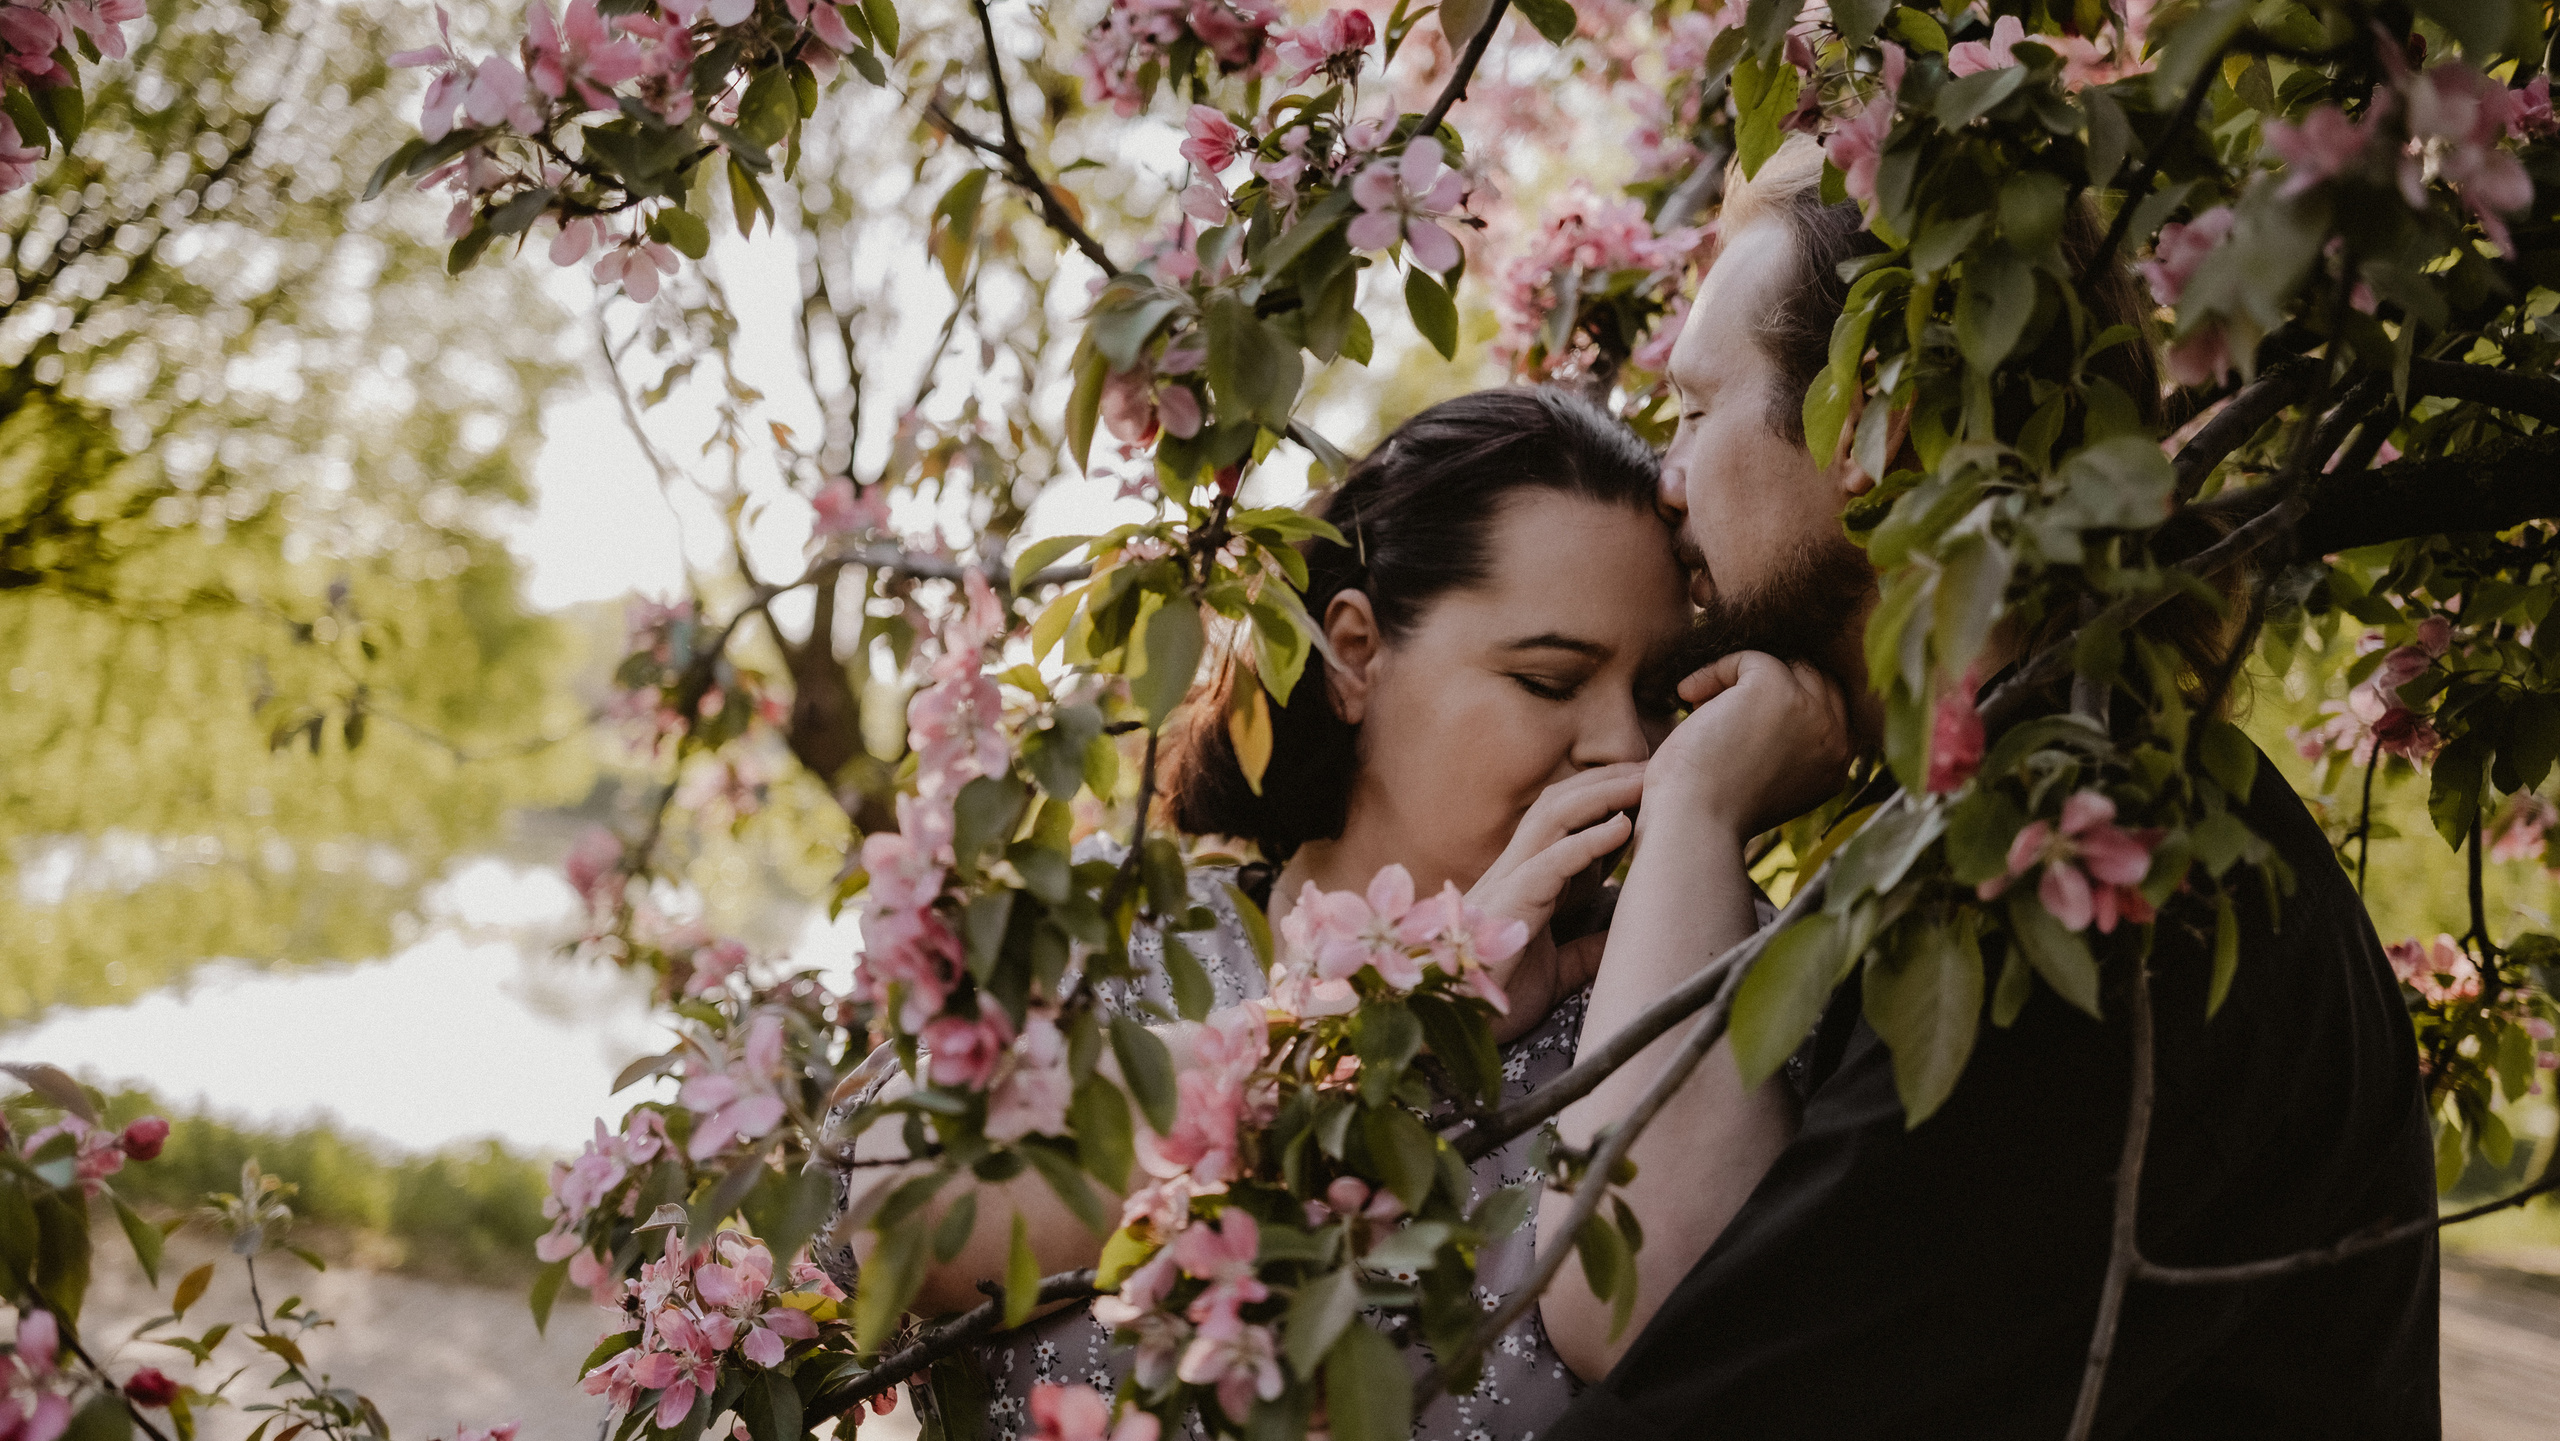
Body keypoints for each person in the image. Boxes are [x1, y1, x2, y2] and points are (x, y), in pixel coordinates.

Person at [1542, 136, 2439, 1438]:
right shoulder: (2086, 797)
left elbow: (1715, 1400)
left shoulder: (2085, 874)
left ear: (1871, 427)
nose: (1665, 482)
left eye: (1692, 412)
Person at [816, 388, 1830, 1440]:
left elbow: (1659, 1326)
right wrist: (1389, 1029)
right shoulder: (1123, 933)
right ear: (1355, 652)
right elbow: (886, 1206)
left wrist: (1701, 814)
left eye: (1659, 696)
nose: (1624, 748)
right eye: (1547, 679)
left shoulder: (1680, 956)